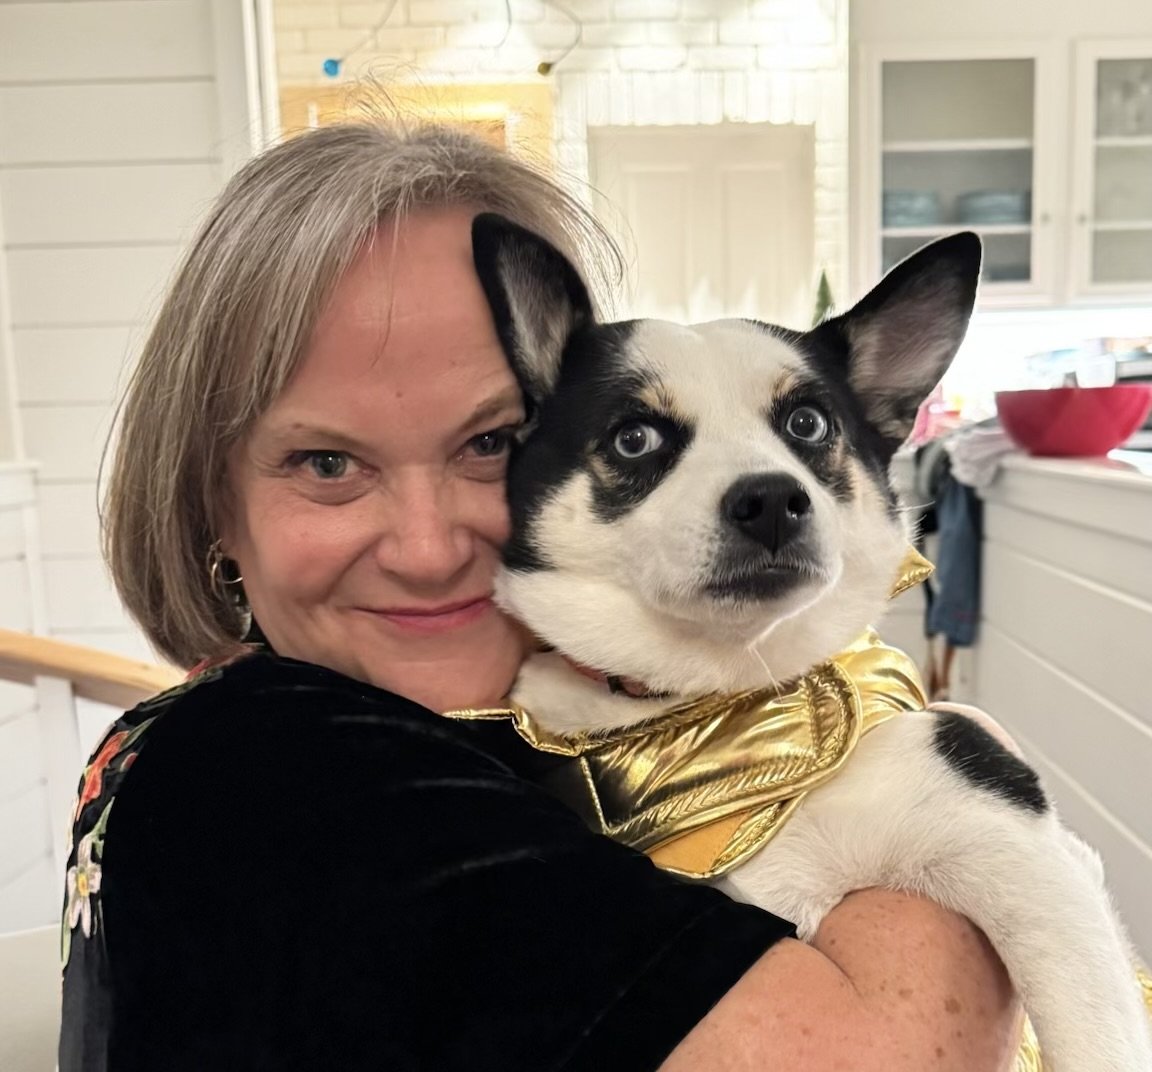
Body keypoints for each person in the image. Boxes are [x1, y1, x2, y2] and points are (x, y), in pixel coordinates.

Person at [61, 118, 1021, 1071]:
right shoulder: (283, 767)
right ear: (212, 506)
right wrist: (953, 771)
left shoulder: (507, 737)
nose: (431, 550)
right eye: (326, 463)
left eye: (490, 444)